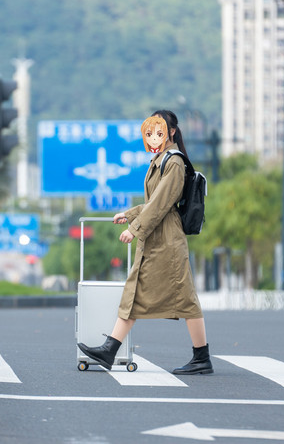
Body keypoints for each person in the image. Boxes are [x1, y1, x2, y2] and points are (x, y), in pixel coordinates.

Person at [77, 110, 212, 375]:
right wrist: (128, 214)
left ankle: (201, 357)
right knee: (138, 292)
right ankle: (110, 348)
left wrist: (135, 228)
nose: (153, 136)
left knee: (184, 299)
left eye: (159, 130)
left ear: (171, 132)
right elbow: (154, 202)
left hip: (167, 240)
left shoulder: (173, 162)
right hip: (159, 237)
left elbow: (162, 203)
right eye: (149, 131)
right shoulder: (161, 160)